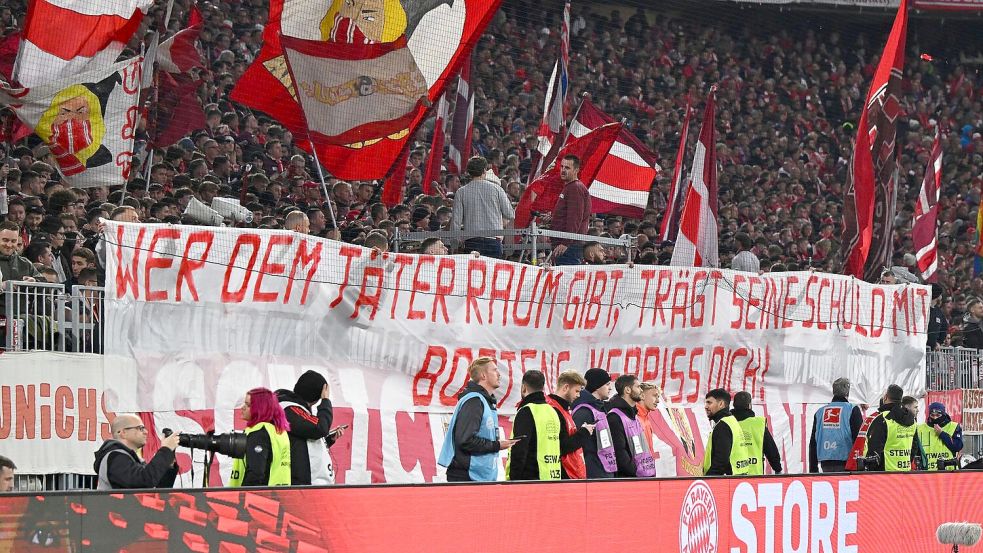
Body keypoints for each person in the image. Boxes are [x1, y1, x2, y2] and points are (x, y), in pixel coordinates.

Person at [438, 357, 519, 481]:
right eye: (494, 370)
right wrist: (497, 445)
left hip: (480, 476)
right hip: (468, 477)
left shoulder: (484, 401)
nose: (499, 374)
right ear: (483, 375)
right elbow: (466, 440)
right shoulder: (474, 401)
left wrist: (497, 444)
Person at [277, 370, 342, 486]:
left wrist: (328, 440)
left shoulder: (294, 410)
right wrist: (325, 401)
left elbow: (303, 441)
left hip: (300, 481)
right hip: (297, 483)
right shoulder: (289, 409)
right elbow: (319, 428)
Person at [92, 414, 180, 490]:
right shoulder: (115, 457)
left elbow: (160, 490)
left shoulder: (132, 459)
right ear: (123, 433)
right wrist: (165, 449)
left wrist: (169, 461)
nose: (146, 432)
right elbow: (143, 482)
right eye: (140, 428)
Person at [450, 156, 515, 258]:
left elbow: (456, 221)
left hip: (471, 241)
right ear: (484, 170)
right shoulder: (497, 189)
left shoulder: (461, 192)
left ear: (469, 172)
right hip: (493, 241)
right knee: (492, 269)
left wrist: (455, 244)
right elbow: (510, 214)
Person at [506, 370, 562, 481]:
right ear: (543, 387)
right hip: (553, 477)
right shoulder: (553, 411)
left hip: (530, 480)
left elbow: (519, 449)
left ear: (523, 387)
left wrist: (514, 480)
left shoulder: (526, 411)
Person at [231, 387, 292, 486]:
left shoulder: (258, 433)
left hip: (258, 494)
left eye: (248, 405)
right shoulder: (279, 431)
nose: (243, 408)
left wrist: (244, 494)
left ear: (260, 408)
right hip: (279, 492)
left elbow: (256, 474)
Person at [544, 370, 594, 479]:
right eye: (576, 391)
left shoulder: (562, 408)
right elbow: (562, 446)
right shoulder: (554, 409)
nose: (578, 395)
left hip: (568, 472)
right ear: (566, 387)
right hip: (562, 473)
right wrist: (584, 432)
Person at [606, 375, 657, 477]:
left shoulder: (634, 416)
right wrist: (637, 472)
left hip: (642, 476)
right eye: (638, 387)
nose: (641, 390)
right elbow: (620, 453)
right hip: (629, 480)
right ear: (628, 390)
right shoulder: (614, 417)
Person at [809, 377, 863, 473]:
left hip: (825, 463)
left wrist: (813, 470)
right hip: (847, 463)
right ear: (847, 392)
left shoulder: (820, 412)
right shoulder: (852, 409)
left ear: (833, 391)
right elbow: (859, 439)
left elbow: (813, 442)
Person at [863, 384, 922, 472]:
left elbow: (874, 448)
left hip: (885, 472)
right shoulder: (912, 419)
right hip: (905, 470)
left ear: (885, 397)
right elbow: (914, 446)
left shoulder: (882, 418)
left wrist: (873, 468)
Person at [572, 368, 617, 478]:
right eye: (607, 384)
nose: (610, 388)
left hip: (604, 471)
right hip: (592, 474)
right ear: (597, 386)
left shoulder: (600, 408)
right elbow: (577, 445)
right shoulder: (583, 411)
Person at [550, 155, 591, 265]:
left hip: (568, 247)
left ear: (576, 170)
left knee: (565, 275)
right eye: (562, 167)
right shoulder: (570, 187)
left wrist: (566, 242)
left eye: (567, 168)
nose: (563, 170)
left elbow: (575, 219)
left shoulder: (575, 188)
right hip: (566, 244)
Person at [703, 388, 753, 476]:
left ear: (721, 404)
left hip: (728, 479)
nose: (706, 406)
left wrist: (709, 479)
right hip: (737, 476)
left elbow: (721, 460)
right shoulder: (731, 420)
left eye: (709, 403)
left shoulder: (723, 425)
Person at [732, 391, 782, 474]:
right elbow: (771, 450)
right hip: (755, 475)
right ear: (749, 405)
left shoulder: (728, 423)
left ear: (734, 405)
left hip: (732, 477)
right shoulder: (758, 424)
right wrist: (778, 469)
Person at [917, 402, 963, 471]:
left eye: (938, 415)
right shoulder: (920, 429)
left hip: (948, 470)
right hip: (927, 471)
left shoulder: (953, 426)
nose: (935, 418)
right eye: (932, 415)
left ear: (943, 414)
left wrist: (942, 434)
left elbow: (957, 446)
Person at [635, 382, 661, 454]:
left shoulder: (646, 419)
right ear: (642, 396)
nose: (658, 401)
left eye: (658, 397)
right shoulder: (633, 418)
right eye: (655, 396)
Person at [927, 284, 948, 349]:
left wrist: (938, 342)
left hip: (932, 351)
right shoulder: (922, 309)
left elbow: (944, 328)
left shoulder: (939, 312)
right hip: (921, 349)